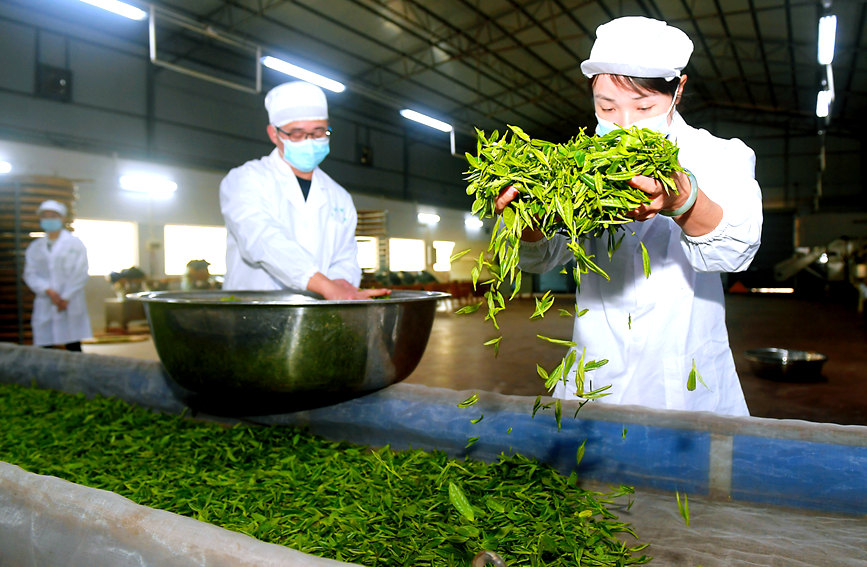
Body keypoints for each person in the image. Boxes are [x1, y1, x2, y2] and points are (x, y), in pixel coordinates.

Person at [496, 16, 763, 416]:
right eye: (607, 106)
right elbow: (543, 258)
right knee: (585, 477)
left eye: (643, 106)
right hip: (595, 371)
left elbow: (735, 253)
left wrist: (684, 202)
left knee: (684, 477)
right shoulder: (576, 167)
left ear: (678, 90)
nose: (624, 123)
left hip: (685, 374)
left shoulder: (721, 156)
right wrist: (528, 222)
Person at [220, 80, 389, 300]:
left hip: (317, 313)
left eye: (318, 132)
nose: (309, 141)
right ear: (274, 134)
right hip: (253, 312)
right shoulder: (246, 180)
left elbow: (345, 257)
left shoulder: (338, 196)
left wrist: (339, 283)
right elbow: (261, 240)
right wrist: (324, 285)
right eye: (297, 134)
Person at [23, 200, 92, 351]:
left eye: (53, 216)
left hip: (70, 301)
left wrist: (65, 297)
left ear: (62, 218)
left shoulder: (75, 244)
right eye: (45, 216)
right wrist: (49, 291)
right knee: (45, 346)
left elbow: (80, 273)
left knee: (73, 345)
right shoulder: (35, 247)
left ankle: (76, 374)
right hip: (46, 301)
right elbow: (30, 274)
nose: (49, 219)